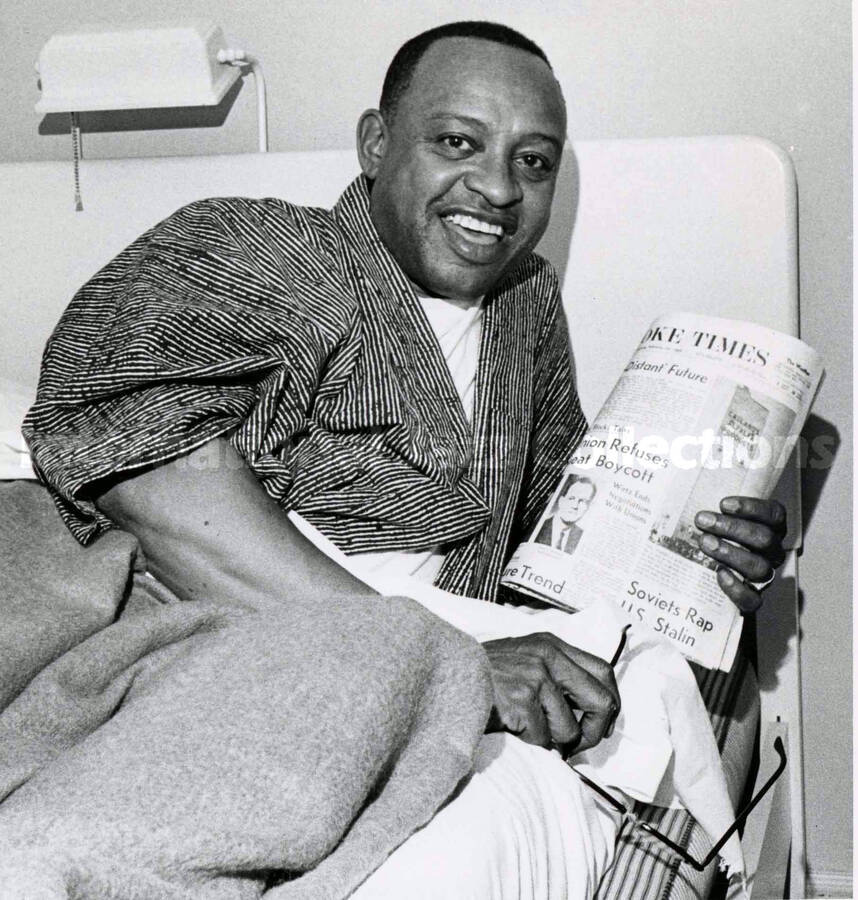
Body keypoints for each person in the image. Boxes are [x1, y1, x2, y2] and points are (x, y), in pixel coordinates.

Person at [23, 20, 786, 759]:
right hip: (218, 626)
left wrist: (694, 566)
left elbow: (551, 548)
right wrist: (440, 656)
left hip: (393, 657)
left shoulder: (526, 307)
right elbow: (154, 480)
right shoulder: (261, 245)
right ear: (377, 144)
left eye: (533, 162)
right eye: (458, 142)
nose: (496, 187)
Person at [534, 475, 596, 553]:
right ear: (561, 501)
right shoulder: (538, 527)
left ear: (587, 508)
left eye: (582, 501)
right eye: (571, 498)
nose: (575, 506)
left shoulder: (584, 538)